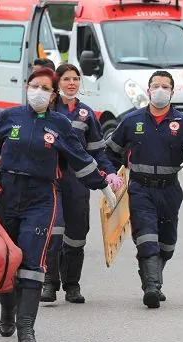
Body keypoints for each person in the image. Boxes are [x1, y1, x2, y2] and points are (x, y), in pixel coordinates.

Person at [0, 68, 117, 342]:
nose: (38, 91)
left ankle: (26, 328)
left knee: (31, 261)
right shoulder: (10, 116)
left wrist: (102, 185)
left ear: (53, 95)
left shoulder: (60, 125)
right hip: (5, 196)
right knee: (3, 260)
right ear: (27, 88)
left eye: (45, 88)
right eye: (34, 86)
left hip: (40, 199)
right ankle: (8, 309)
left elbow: (80, 159)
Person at [105, 70, 183, 308]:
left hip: (169, 190)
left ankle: (152, 277)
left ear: (172, 91)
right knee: (146, 236)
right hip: (140, 188)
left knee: (167, 244)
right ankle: (152, 287)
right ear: (148, 89)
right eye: (155, 86)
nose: (160, 90)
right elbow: (109, 151)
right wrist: (110, 174)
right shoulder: (132, 120)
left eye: (165, 86)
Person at [41, 64, 123, 303]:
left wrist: (108, 173)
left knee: (77, 235)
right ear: (58, 83)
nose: (72, 83)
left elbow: (97, 151)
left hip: (78, 182)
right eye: (66, 79)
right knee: (54, 231)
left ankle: (72, 284)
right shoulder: (46, 110)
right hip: (51, 180)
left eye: (76, 79)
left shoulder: (86, 114)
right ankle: (49, 282)